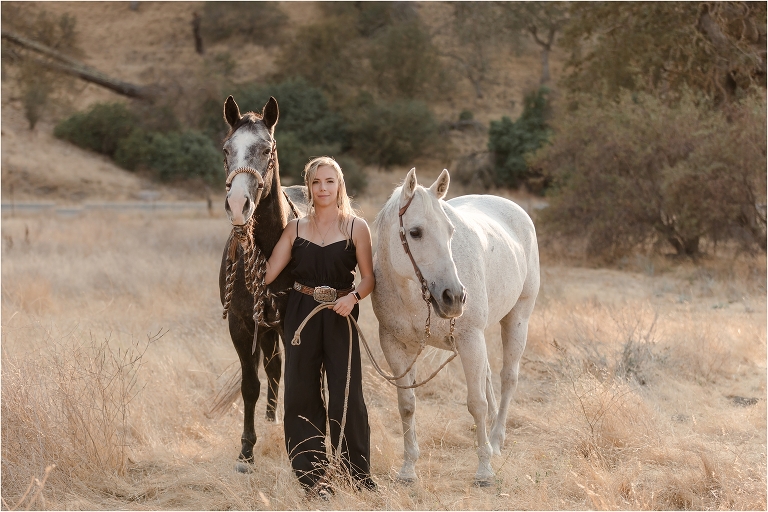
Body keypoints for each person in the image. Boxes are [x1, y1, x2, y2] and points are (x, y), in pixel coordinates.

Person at [264, 156, 376, 496]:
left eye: (329, 181)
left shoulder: (357, 227)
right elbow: (268, 273)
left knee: (346, 392)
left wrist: (353, 298)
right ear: (308, 187)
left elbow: (369, 278)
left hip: (342, 312)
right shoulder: (295, 227)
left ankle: (355, 474)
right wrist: (243, 235)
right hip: (301, 313)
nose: (323, 188)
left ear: (339, 185)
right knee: (301, 392)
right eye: (316, 182)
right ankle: (312, 477)